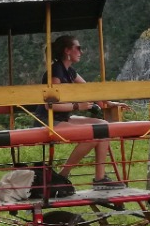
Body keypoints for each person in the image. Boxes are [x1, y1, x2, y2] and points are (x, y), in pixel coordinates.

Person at [37, 35, 126, 188]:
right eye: (78, 48)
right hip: (48, 120)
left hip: (63, 118)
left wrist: (109, 103)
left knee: (102, 126)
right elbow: (50, 106)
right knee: (91, 135)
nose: (81, 52)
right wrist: (78, 106)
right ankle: (63, 175)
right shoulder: (56, 72)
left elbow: (89, 91)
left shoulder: (69, 71)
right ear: (67, 51)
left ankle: (100, 178)